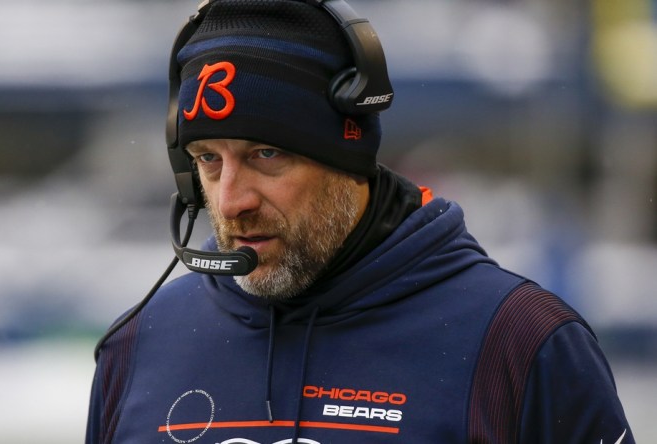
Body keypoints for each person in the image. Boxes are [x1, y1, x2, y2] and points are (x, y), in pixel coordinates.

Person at [86, 0, 634, 443]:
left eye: (266, 155)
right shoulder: (138, 346)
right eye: (209, 159)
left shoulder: (520, 342)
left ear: (347, 160)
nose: (230, 202)